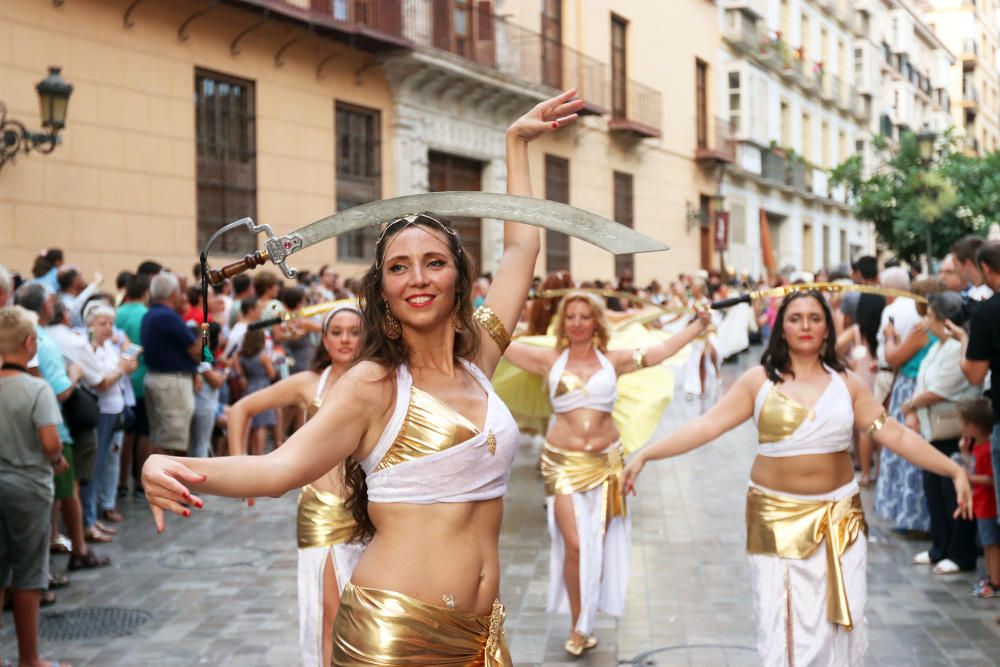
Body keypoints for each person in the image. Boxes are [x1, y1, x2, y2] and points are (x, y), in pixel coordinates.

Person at [141, 89, 584, 665]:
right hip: (395, 633)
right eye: (399, 267)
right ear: (383, 291)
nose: (418, 278)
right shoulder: (373, 384)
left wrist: (515, 144)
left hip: (484, 634)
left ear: (459, 276)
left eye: (435, 262)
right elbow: (279, 469)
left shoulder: (479, 354)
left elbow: (525, 243)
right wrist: (170, 463)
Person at [622, 289, 973, 666]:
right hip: (775, 518)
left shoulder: (848, 383)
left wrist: (953, 469)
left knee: (842, 620)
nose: (805, 325)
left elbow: (896, 434)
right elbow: (706, 426)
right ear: (781, 329)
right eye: (794, 318)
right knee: (783, 621)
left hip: (840, 519)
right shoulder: (759, 382)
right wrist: (647, 453)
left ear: (827, 328)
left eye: (814, 318)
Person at [502, 292, 710, 655]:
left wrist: (698, 325)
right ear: (563, 322)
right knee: (576, 544)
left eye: (585, 316)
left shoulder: (614, 361)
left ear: (596, 322)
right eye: (571, 317)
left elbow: (660, 352)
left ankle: (585, 625)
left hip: (605, 464)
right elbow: (498, 343)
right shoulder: (547, 360)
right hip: (562, 464)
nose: (578, 323)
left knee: (596, 542)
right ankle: (577, 622)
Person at [228, 303, 365, 667]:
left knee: (367, 621)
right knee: (329, 615)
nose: (346, 339)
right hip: (323, 514)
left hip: (372, 514)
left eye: (354, 331)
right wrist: (243, 471)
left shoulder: (380, 381)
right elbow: (240, 410)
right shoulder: (309, 383)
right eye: (337, 332)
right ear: (324, 339)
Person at [0, 306, 72, 667]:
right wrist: (58, 460)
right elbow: (49, 442)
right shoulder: (36, 389)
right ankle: (30, 658)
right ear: (30, 344)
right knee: (28, 575)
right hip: (28, 488)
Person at [902, 292, 981, 574]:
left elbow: (942, 388)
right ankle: (940, 547)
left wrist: (910, 404)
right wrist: (913, 406)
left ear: (943, 321)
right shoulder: (939, 345)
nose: (926, 321)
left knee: (953, 492)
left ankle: (960, 553)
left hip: (950, 428)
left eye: (930, 316)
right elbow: (923, 381)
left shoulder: (958, 347)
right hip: (929, 428)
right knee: (933, 490)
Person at [874, 278, 945, 532]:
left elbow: (894, 358)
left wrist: (891, 338)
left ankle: (914, 518)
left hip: (911, 388)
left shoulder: (921, 330)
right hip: (926, 387)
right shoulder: (943, 328)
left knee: (904, 448)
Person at [78, 304, 135, 544]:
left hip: (114, 409)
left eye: (110, 324)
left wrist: (124, 367)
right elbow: (100, 381)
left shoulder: (109, 346)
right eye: (102, 323)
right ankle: (88, 520)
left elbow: (120, 372)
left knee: (104, 465)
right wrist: (121, 370)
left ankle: (94, 514)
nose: (108, 328)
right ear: (90, 325)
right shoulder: (88, 348)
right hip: (100, 411)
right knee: (93, 468)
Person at [140, 272, 200, 456]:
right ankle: (174, 482)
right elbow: (199, 353)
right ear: (173, 293)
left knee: (160, 437)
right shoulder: (168, 317)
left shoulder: (150, 315)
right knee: (174, 441)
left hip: (157, 378)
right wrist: (205, 332)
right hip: (172, 383)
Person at [956, 398, 998, 597]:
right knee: (988, 543)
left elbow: (991, 479)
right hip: (981, 504)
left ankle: (995, 582)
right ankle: (990, 577)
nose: (961, 426)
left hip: (988, 504)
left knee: (992, 544)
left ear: (973, 426)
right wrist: (965, 452)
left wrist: (969, 477)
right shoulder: (978, 448)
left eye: (963, 423)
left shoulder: (988, 449)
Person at [234, 329, 278, 456]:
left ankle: (246, 452)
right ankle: (259, 454)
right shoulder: (263, 356)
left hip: (249, 387)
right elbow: (272, 374)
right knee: (261, 424)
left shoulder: (241, 356)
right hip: (263, 387)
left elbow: (240, 372)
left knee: (251, 423)